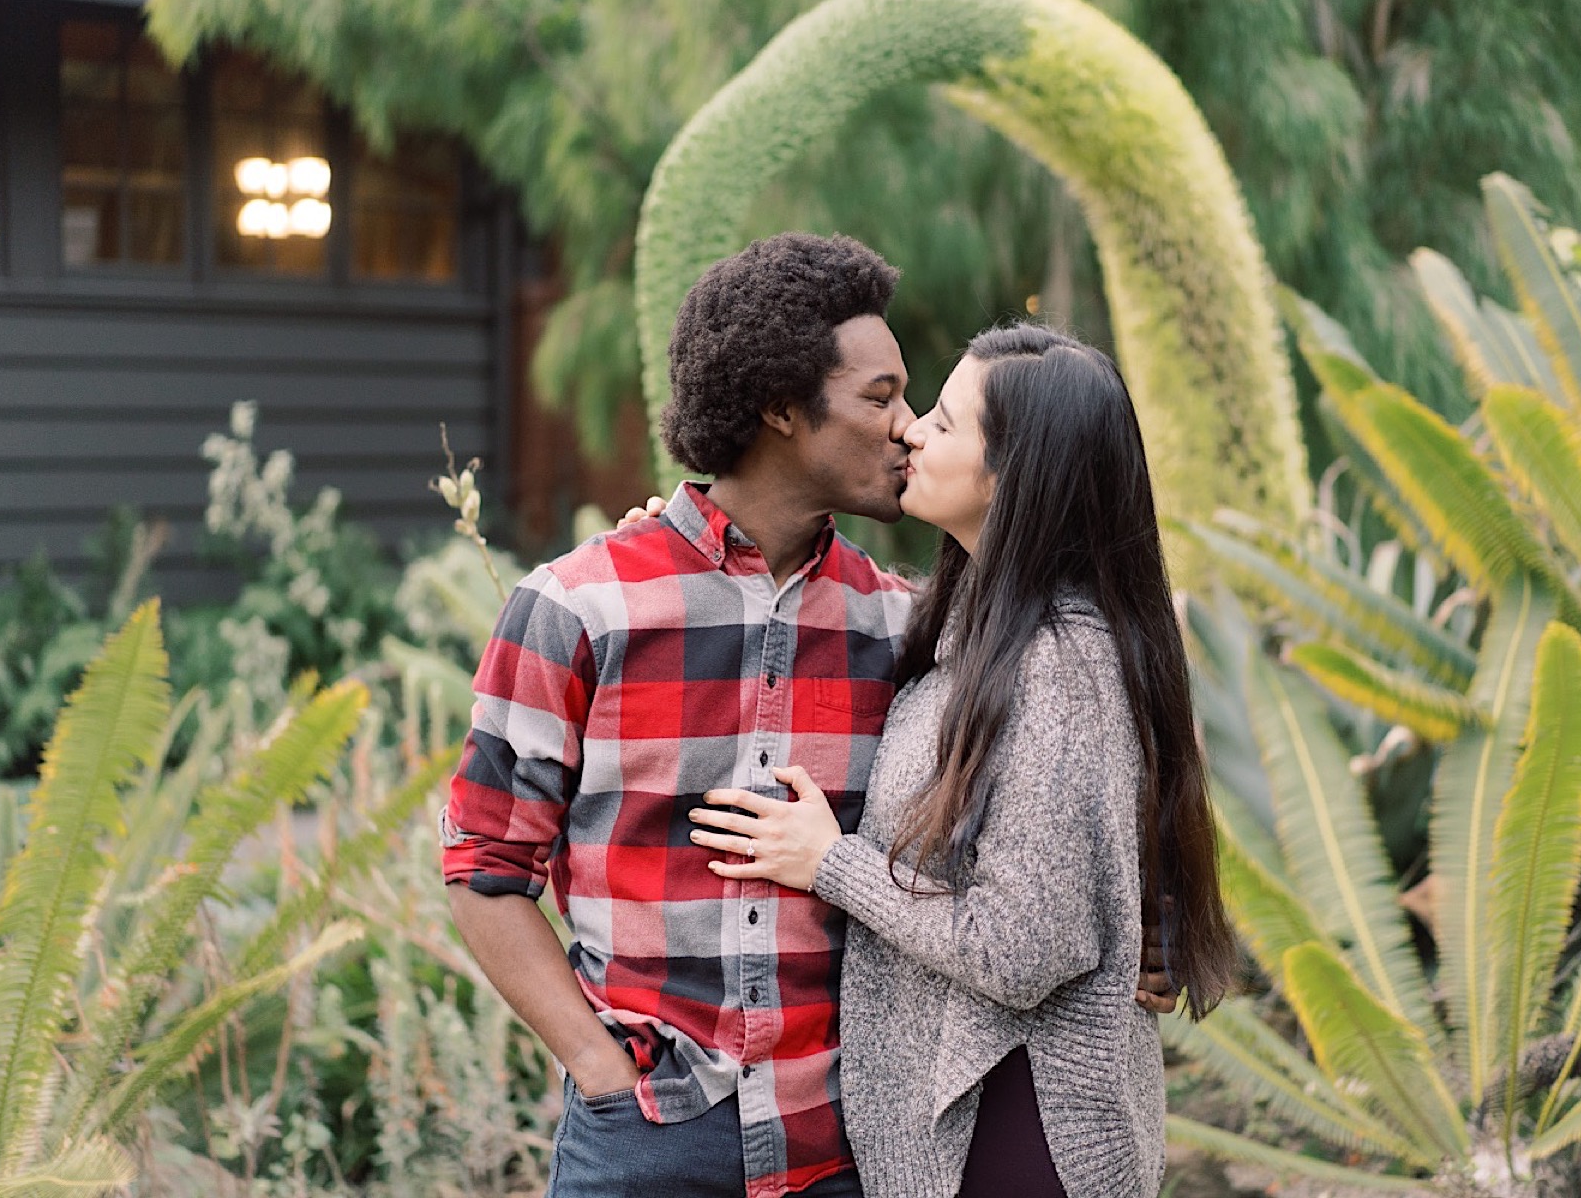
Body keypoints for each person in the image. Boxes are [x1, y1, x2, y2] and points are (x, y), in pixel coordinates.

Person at [441, 234, 1177, 1198]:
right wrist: (600, 1071)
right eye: (882, 399)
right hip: (646, 1139)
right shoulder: (577, 610)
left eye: (919, 405)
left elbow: (1055, 799)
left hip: (849, 1149)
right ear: (782, 409)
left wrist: (1144, 924)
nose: (908, 428)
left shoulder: (910, 630)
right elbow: (484, 867)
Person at [689, 325, 1236, 1197]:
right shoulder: (979, 633)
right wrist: (686, 534)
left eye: (943, 423)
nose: (910, 432)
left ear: (1013, 477)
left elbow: (1025, 949)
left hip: (1014, 1132)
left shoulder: (1056, 668)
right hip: (974, 1123)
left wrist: (829, 863)